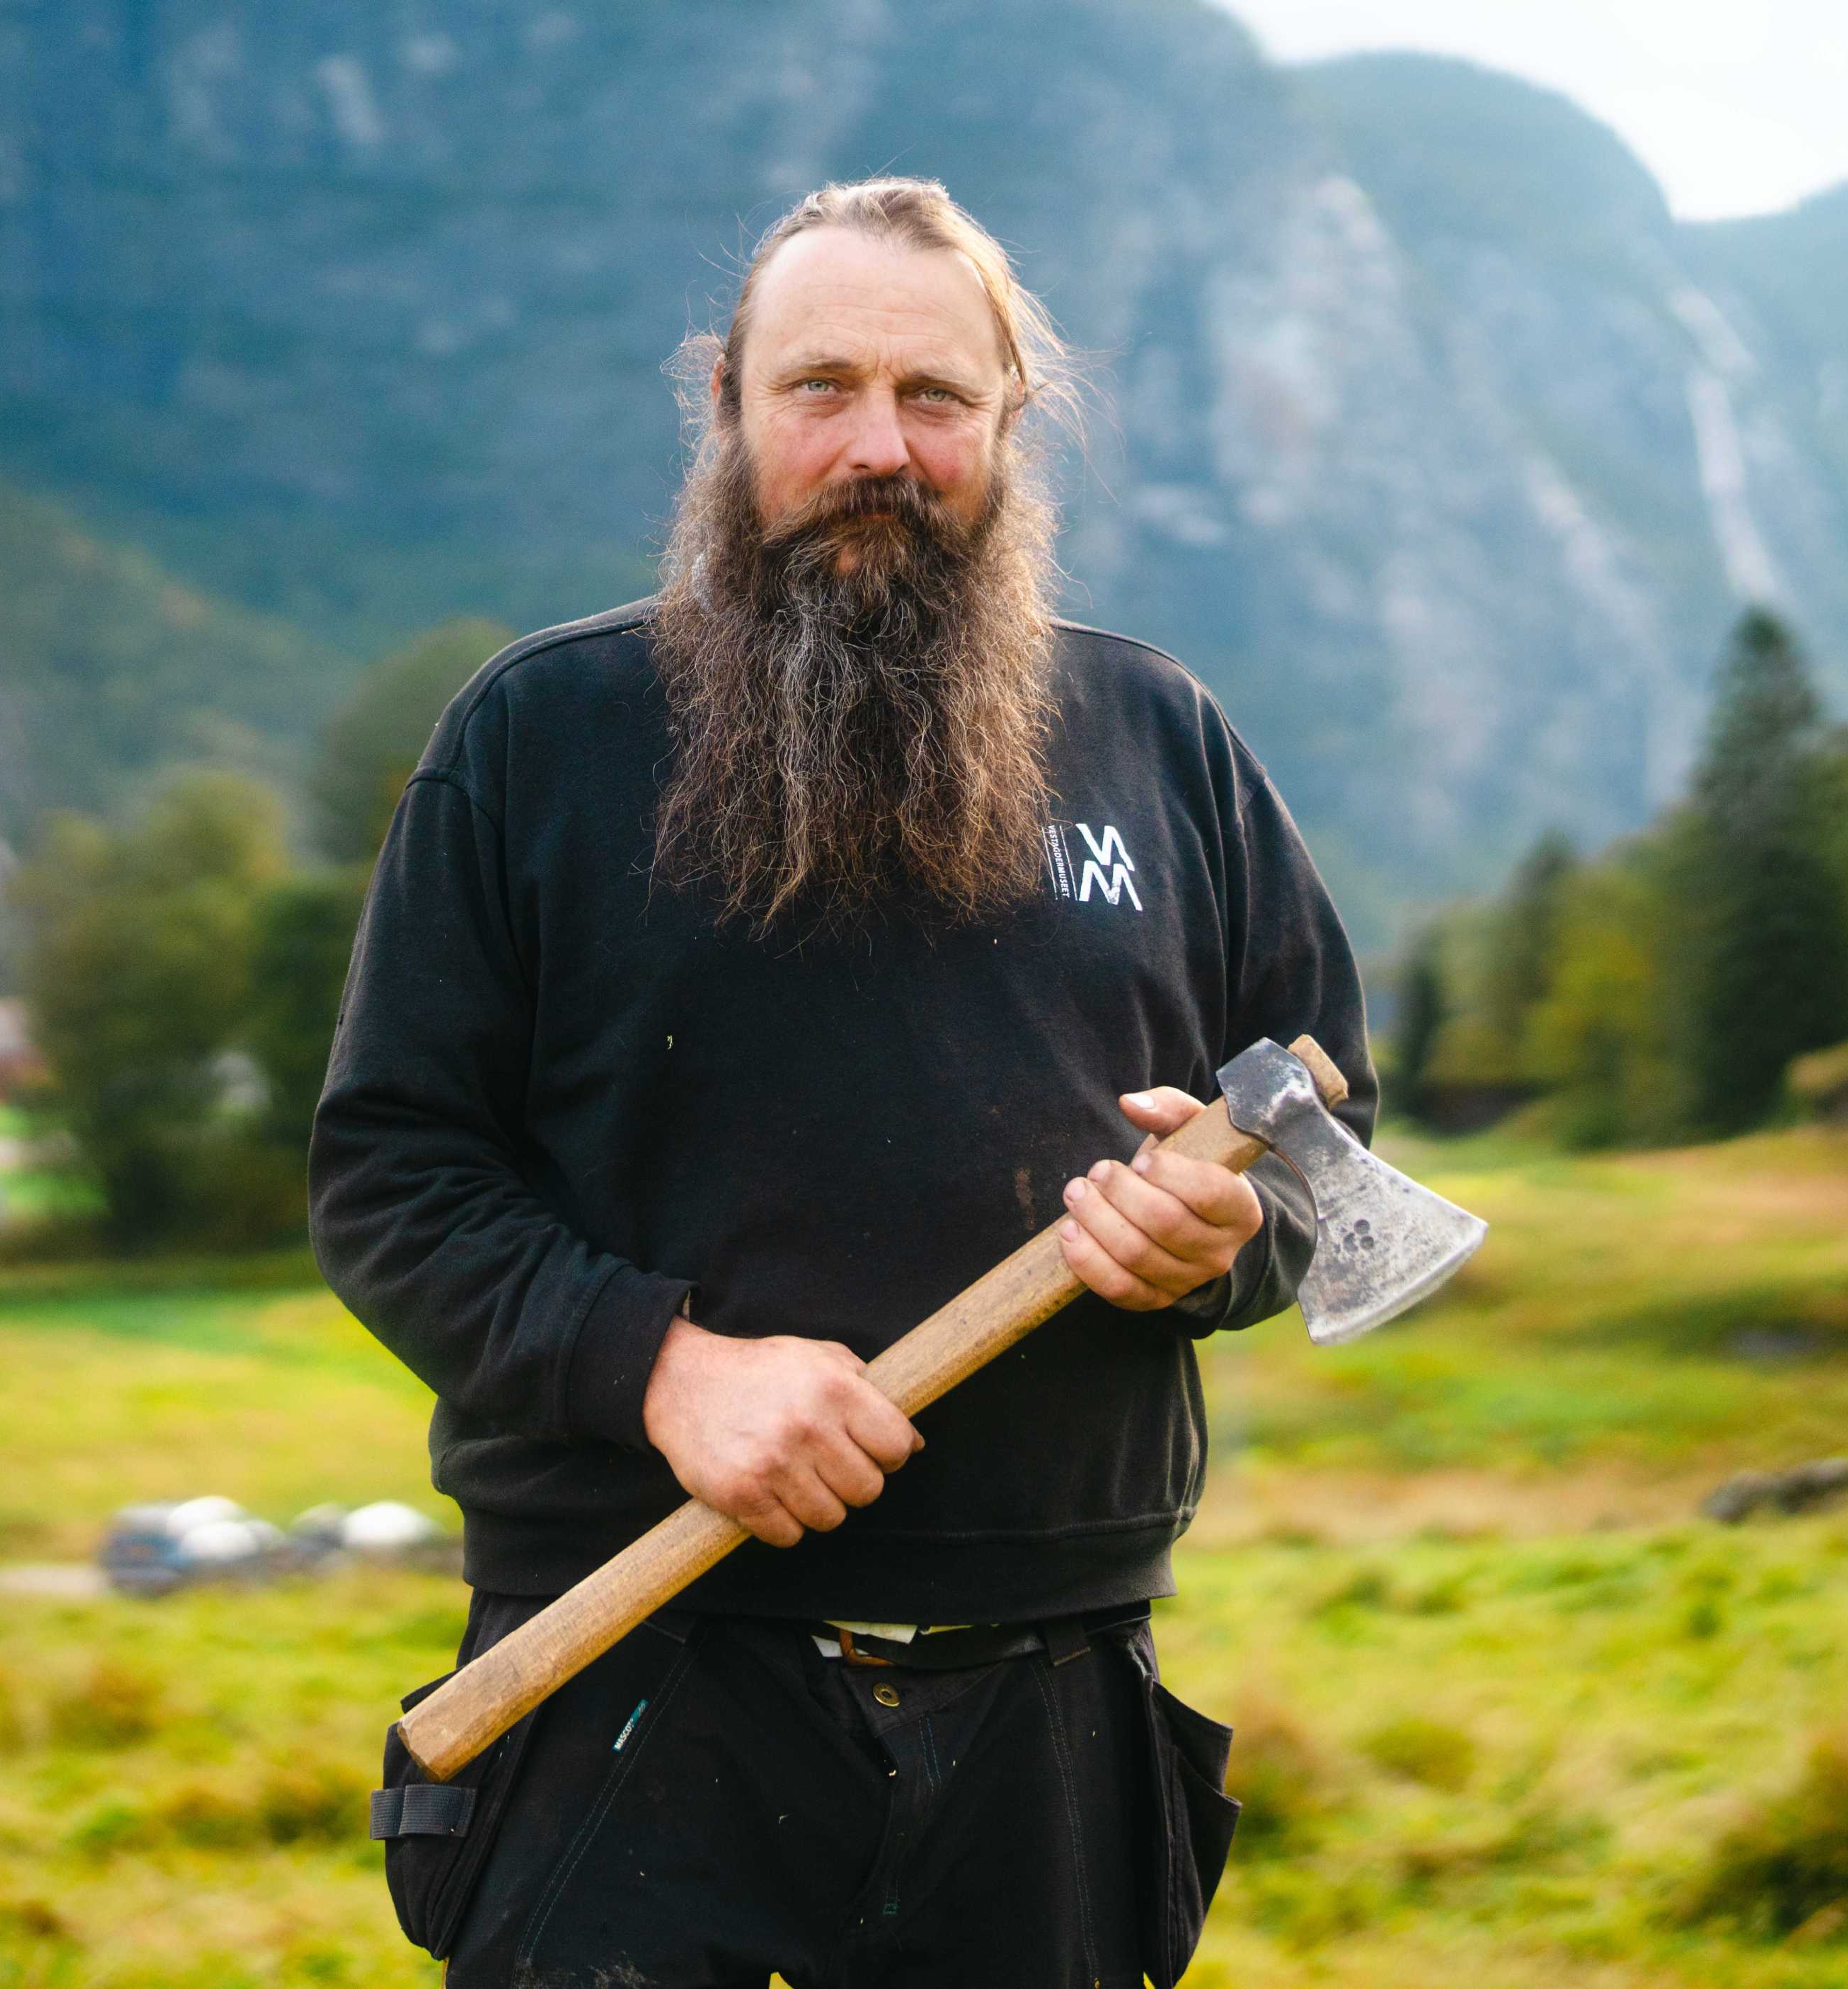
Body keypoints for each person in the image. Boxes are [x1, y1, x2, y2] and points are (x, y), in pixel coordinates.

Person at [310, 176, 1376, 1989]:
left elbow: (1319, 1134)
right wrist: (660, 1367)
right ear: (725, 402)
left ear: (1009, 421)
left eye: (936, 399)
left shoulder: (1159, 737)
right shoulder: (540, 739)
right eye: (820, 390)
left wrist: (1223, 1232)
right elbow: (392, 1174)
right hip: (632, 1680)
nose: (879, 447)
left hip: (1049, 1706)